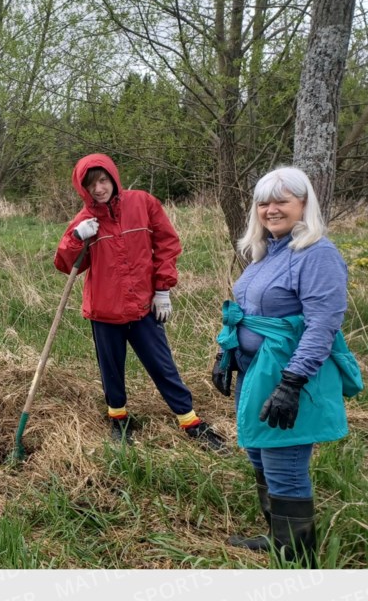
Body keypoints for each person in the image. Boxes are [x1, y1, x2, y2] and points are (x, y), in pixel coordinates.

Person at [213, 167, 362, 567]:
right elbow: (247, 314)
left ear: (304, 205)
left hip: (289, 375)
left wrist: (292, 382)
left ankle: (298, 559)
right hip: (255, 373)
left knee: (285, 463)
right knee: (261, 455)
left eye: (282, 200)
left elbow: (323, 325)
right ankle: (279, 539)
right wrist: (226, 355)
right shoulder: (268, 252)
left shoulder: (318, 254)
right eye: (264, 202)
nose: (271, 209)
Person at [54, 153, 225, 451]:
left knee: (162, 364)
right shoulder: (85, 221)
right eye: (91, 184)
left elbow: (167, 243)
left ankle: (190, 420)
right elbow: (66, 265)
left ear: (113, 179)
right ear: (83, 189)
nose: (99, 189)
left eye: (103, 180)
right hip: (105, 310)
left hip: (145, 306)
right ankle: (119, 420)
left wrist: (163, 289)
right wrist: (75, 238)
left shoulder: (142, 203)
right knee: (111, 369)